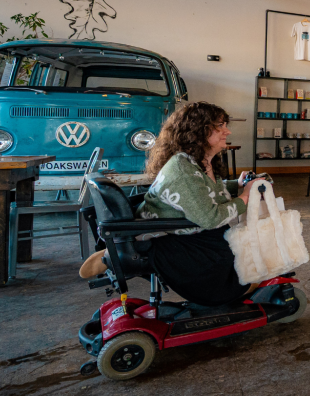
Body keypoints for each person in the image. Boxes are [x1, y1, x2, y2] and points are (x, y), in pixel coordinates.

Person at [78, 102, 260, 307]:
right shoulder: (184, 169)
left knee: (232, 237)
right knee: (228, 247)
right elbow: (211, 218)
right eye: (220, 125)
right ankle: (237, 288)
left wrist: (239, 186)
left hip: (172, 225)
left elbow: (203, 191)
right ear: (198, 130)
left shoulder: (195, 161)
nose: (227, 130)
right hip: (168, 234)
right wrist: (245, 196)